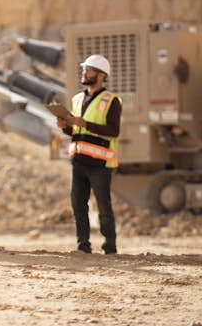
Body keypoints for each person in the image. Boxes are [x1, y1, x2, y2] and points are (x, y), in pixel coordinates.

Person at [56, 54, 122, 254]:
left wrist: (85, 124)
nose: (84, 73)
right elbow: (76, 131)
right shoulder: (77, 98)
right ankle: (82, 245)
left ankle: (109, 245)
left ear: (101, 75)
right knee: (78, 205)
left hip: (100, 163)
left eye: (88, 70)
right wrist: (65, 127)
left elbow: (113, 131)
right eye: (84, 69)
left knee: (103, 206)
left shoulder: (112, 100)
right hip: (78, 161)